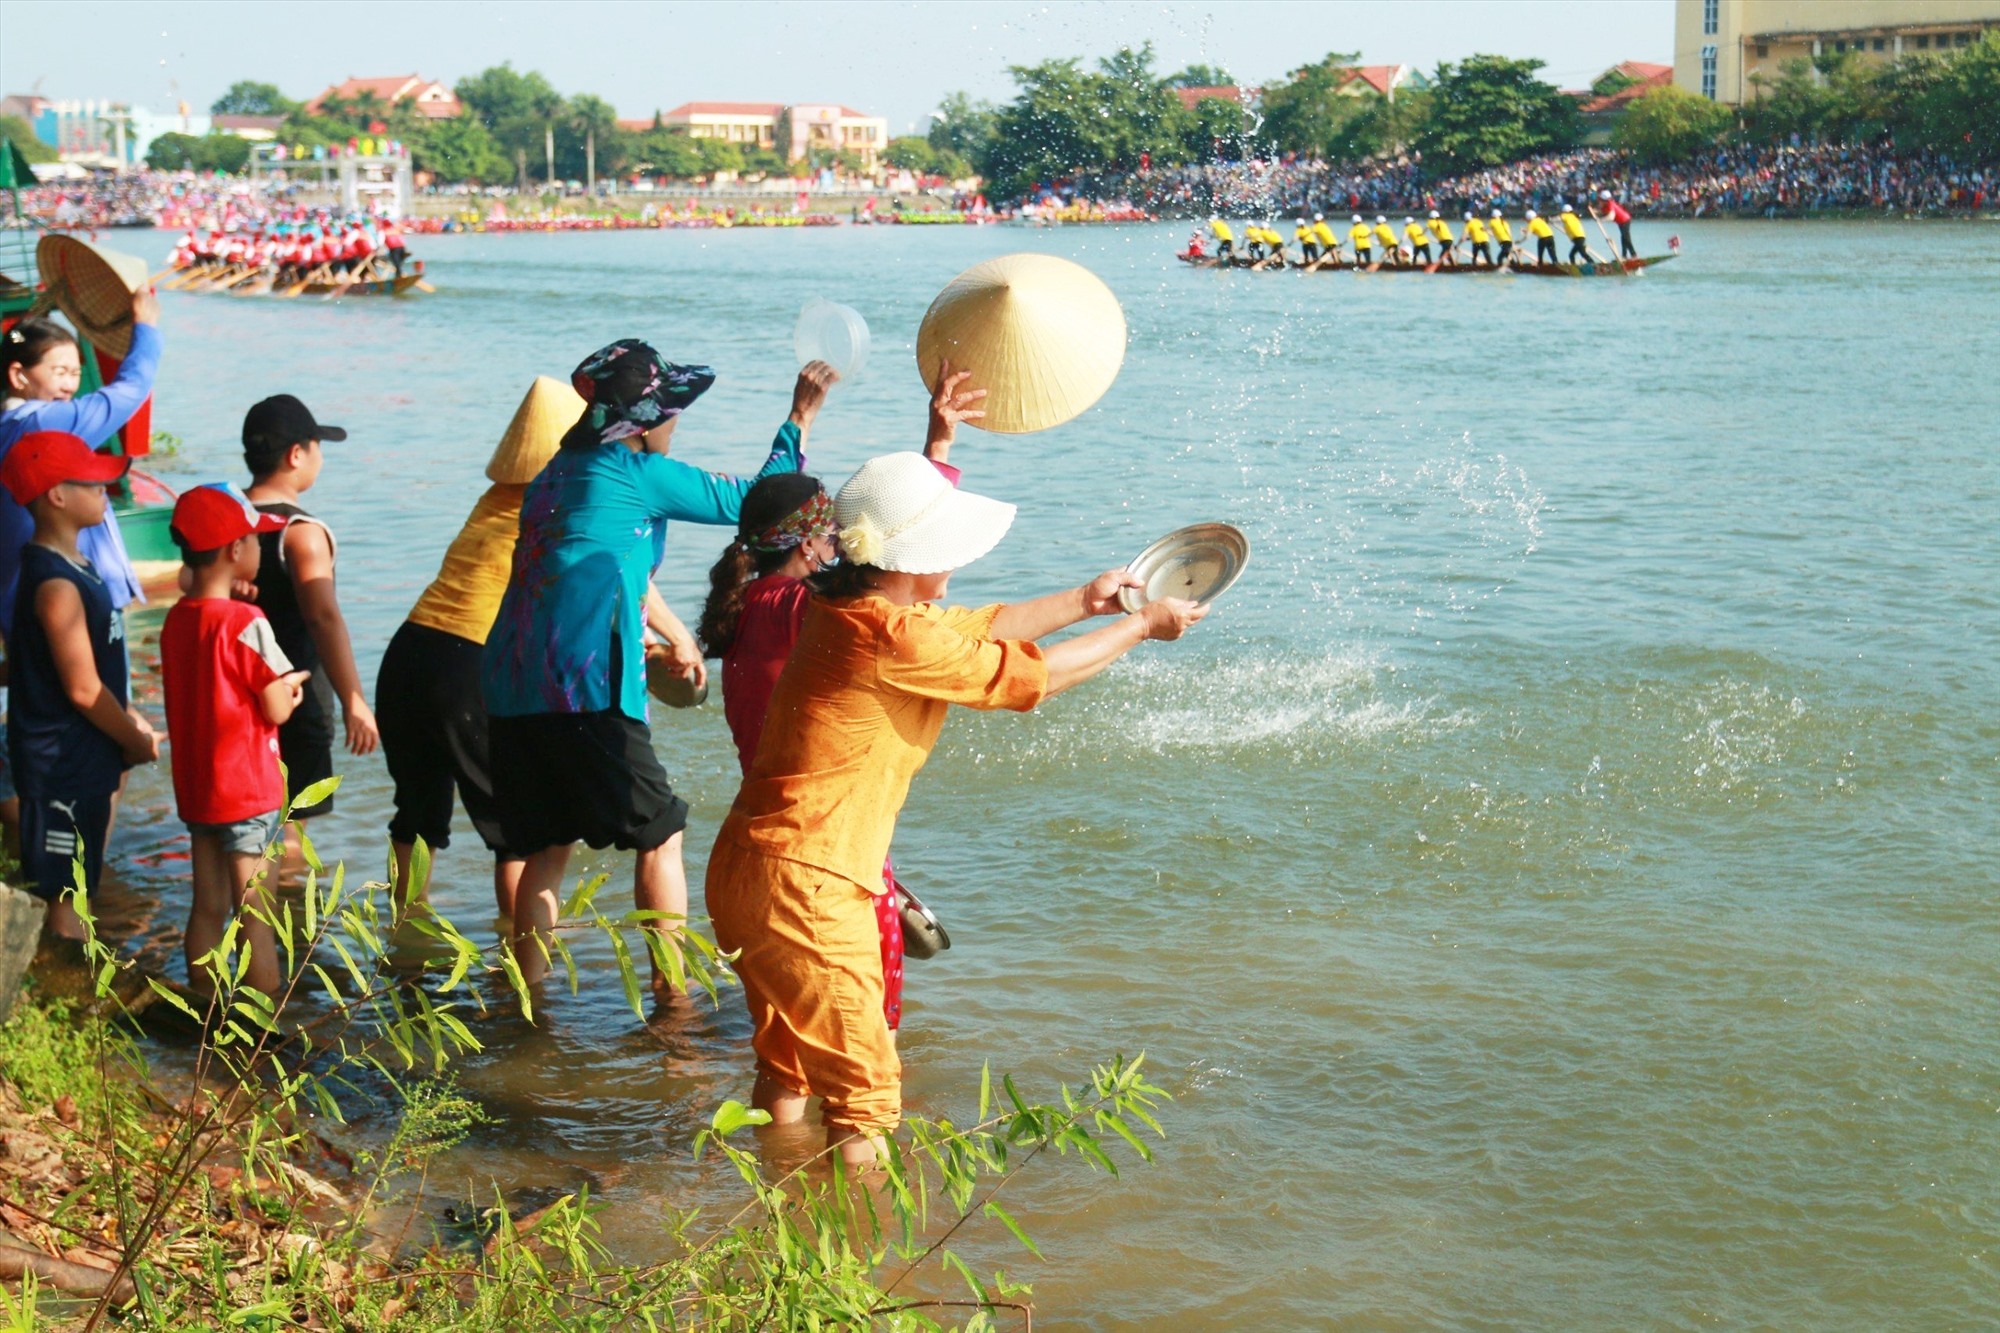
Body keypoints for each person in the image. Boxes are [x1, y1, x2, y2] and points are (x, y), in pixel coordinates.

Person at [705, 448, 1209, 1165]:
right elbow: (1027, 676)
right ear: (915, 556)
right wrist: (1140, 626)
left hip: (749, 869)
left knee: (787, 1065)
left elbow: (977, 628)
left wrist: (1087, 601)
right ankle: (858, 1266)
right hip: (809, 886)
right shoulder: (888, 633)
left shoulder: (846, 607)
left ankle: (772, 1214)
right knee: (867, 1100)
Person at [481, 339, 816, 999]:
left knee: (547, 848)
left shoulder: (553, 475)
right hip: (585, 689)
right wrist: (797, 420)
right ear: (639, 422)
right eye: (669, 410)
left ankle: (527, 1006)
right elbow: (757, 503)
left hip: (511, 685)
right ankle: (674, 1001)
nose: (676, 422)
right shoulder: (632, 472)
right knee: (661, 829)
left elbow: (606, 568)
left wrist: (669, 636)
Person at [699, 365, 979, 1039]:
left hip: (766, 848)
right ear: (809, 544)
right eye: (834, 535)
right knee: (867, 1034)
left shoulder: (748, 608)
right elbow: (897, 568)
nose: (843, 549)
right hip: (826, 857)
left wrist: (931, 443)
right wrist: (936, 453)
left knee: (787, 1046)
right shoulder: (808, 611)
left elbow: (867, 562)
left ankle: (784, 1146)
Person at [374, 376, 578, 919]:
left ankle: (403, 940)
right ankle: (521, 971)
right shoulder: (558, 504)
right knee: (516, 830)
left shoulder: (492, 498)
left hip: (409, 654)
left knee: (416, 816)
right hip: (467, 665)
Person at [1, 297, 158, 863]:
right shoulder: (38, 425)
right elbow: (127, 392)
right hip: (62, 625)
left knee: (57, 746)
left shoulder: (18, 431)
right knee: (84, 754)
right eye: (59, 371)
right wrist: (147, 331)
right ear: (19, 375)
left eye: (75, 371)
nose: (71, 384)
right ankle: (76, 887)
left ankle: (68, 872)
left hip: (37, 619)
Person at [0, 431, 158, 941]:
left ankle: (78, 977)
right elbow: (83, 689)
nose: (105, 494)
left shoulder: (79, 566)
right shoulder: (56, 584)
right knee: (65, 893)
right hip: (59, 761)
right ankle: (67, 986)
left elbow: (39, 664)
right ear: (57, 496)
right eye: (94, 485)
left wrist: (127, 720)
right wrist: (132, 738)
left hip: (84, 755)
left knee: (81, 880)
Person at [160, 483, 304, 997]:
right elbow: (273, 706)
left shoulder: (177, 618)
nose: (260, 550)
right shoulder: (249, 621)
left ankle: (201, 1004)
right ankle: (264, 1032)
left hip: (200, 792)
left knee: (207, 908)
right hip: (248, 794)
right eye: (255, 541)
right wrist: (291, 690)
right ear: (235, 551)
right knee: (257, 922)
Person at [242, 394, 379, 849]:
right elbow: (323, 618)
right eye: (318, 446)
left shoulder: (225, 517)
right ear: (296, 454)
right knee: (290, 827)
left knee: (242, 820)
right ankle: (290, 914)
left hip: (234, 692)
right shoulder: (301, 533)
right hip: (296, 698)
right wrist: (354, 700)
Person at [1593, 188, 1636, 258]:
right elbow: (1602, 211)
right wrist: (1595, 211)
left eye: (1600, 200)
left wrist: (1600, 220)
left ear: (1604, 200)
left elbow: (1611, 217)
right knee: (1623, 239)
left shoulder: (1610, 204)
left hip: (1625, 220)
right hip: (1621, 222)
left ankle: (1634, 255)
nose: (1599, 201)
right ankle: (1624, 256)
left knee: (1626, 238)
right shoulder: (1606, 205)